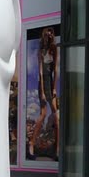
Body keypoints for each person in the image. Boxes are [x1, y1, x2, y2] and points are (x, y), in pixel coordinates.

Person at [27, 27, 60, 160]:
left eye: (51, 33)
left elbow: (56, 70)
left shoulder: (54, 49)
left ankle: (57, 148)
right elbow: (41, 72)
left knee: (56, 117)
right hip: (43, 83)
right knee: (42, 114)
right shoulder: (41, 51)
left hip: (50, 83)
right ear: (44, 35)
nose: (50, 35)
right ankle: (32, 143)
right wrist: (42, 91)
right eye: (48, 33)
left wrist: (54, 88)